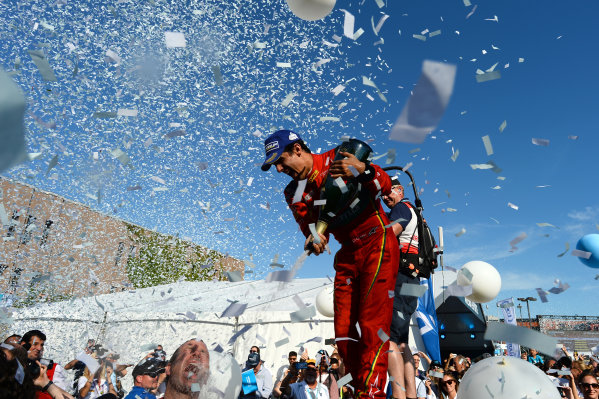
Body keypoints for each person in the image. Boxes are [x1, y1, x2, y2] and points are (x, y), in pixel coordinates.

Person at [261, 129, 399, 398]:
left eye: (280, 160)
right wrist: (315, 237)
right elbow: (309, 227)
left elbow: (384, 185)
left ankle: (371, 395)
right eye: (274, 165)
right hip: (347, 254)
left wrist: (365, 170)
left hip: (377, 242)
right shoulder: (293, 192)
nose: (279, 170)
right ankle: (355, 389)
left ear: (298, 149)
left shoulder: (340, 156)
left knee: (372, 326)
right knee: (344, 334)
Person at [381, 179, 419, 399]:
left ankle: (398, 395)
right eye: (383, 196)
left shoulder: (401, 208)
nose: (386, 198)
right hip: (414, 279)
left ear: (400, 190)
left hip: (402, 277)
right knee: (403, 341)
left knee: (391, 340)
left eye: (388, 193)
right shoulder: (413, 210)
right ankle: (411, 395)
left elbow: (388, 234)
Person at [20, 330, 70, 396]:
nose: (39, 348)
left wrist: (46, 384)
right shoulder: (11, 366)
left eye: (41, 345)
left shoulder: (53, 369)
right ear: (24, 345)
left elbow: (63, 395)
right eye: (35, 344)